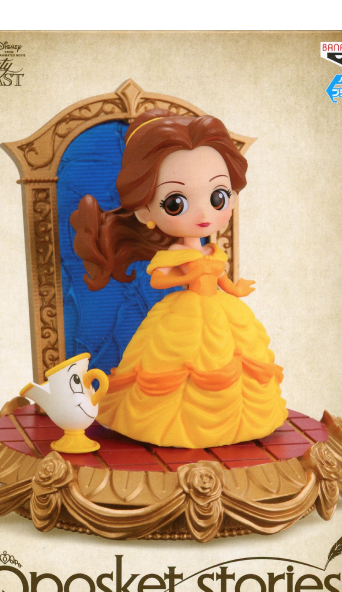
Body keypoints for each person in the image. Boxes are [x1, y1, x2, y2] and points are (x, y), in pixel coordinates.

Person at [71, 110, 288, 448]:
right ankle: (170, 423)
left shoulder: (212, 251)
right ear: (145, 211)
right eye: (176, 202)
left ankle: (232, 419)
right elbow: (158, 280)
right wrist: (188, 274)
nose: (203, 214)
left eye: (217, 197)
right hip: (183, 314)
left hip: (221, 310)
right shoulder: (176, 252)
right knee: (177, 366)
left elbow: (221, 278)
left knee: (234, 361)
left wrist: (236, 288)